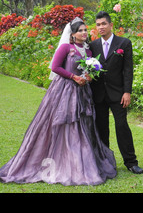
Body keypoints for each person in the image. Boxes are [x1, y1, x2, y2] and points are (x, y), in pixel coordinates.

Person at [0, 17, 117, 186]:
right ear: (73, 34)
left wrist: (88, 77)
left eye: (85, 30)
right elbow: (55, 67)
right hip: (65, 91)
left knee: (82, 125)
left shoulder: (89, 51)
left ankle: (80, 162)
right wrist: (73, 76)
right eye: (80, 31)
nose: (84, 33)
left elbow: (90, 69)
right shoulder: (65, 48)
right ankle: (61, 161)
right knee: (65, 123)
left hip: (83, 92)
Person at [89, 11, 143, 174]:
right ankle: (104, 161)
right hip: (98, 94)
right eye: (98, 25)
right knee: (101, 128)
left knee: (122, 126)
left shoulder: (124, 43)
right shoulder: (93, 45)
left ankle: (131, 162)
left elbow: (128, 70)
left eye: (104, 24)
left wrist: (127, 92)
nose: (101, 27)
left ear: (111, 25)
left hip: (118, 94)